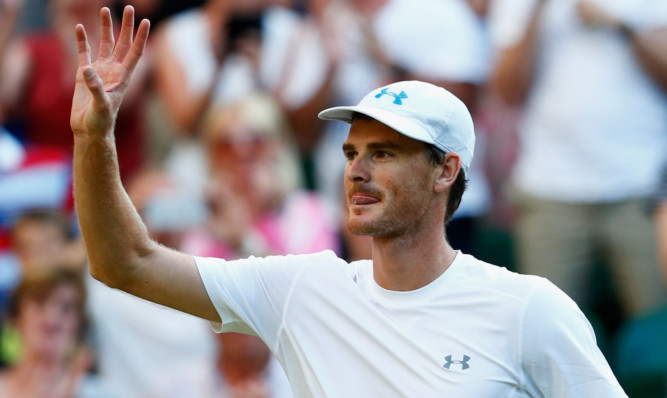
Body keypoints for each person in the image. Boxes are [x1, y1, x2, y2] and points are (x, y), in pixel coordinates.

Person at [70, 6, 627, 396]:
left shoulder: (531, 309)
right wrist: (93, 139)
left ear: (445, 171)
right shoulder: (301, 290)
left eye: (384, 153)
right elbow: (124, 262)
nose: (356, 170)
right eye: (352, 151)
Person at [489, 0, 667, 321]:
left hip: (643, 187)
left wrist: (623, 26)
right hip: (550, 190)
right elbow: (507, 92)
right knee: (548, 332)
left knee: (656, 331)